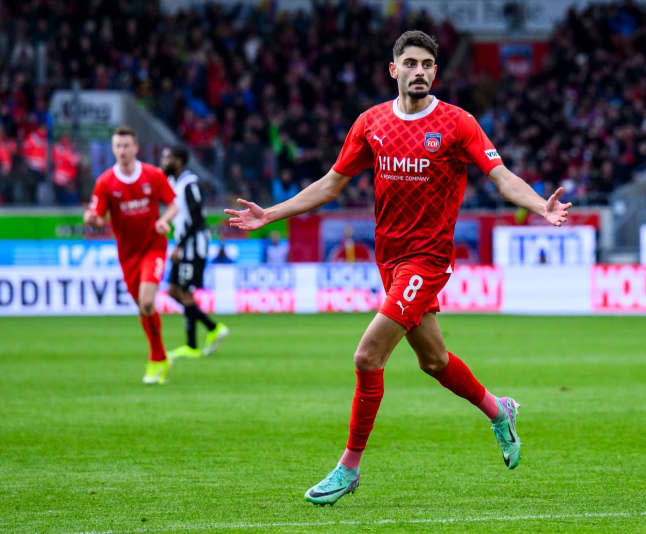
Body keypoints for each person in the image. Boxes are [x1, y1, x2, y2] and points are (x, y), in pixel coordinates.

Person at [225, 30, 571, 506]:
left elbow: (501, 176)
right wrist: (270, 214)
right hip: (389, 260)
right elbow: (330, 185)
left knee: (367, 356)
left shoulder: (457, 124)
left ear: (436, 72)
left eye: (427, 64)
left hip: (427, 261)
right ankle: (499, 410)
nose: (420, 71)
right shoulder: (371, 123)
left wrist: (539, 207)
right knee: (434, 361)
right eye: (410, 63)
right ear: (394, 70)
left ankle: (348, 468)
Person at [83, 126, 179, 385]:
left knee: (147, 302)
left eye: (127, 146)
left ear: (136, 148)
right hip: (128, 255)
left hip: (154, 246)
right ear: (113, 149)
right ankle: (160, 355)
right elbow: (96, 215)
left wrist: (164, 220)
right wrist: (91, 219)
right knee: (143, 307)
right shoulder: (105, 182)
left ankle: (156, 358)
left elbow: (174, 203)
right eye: (118, 146)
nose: (122, 151)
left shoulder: (153, 175)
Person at [160, 145, 229, 359]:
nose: (163, 162)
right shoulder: (174, 183)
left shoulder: (190, 184)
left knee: (186, 292)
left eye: (167, 157)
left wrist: (180, 246)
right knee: (173, 290)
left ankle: (192, 345)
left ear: (178, 161)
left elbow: (198, 218)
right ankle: (211, 327)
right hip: (183, 244)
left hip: (193, 246)